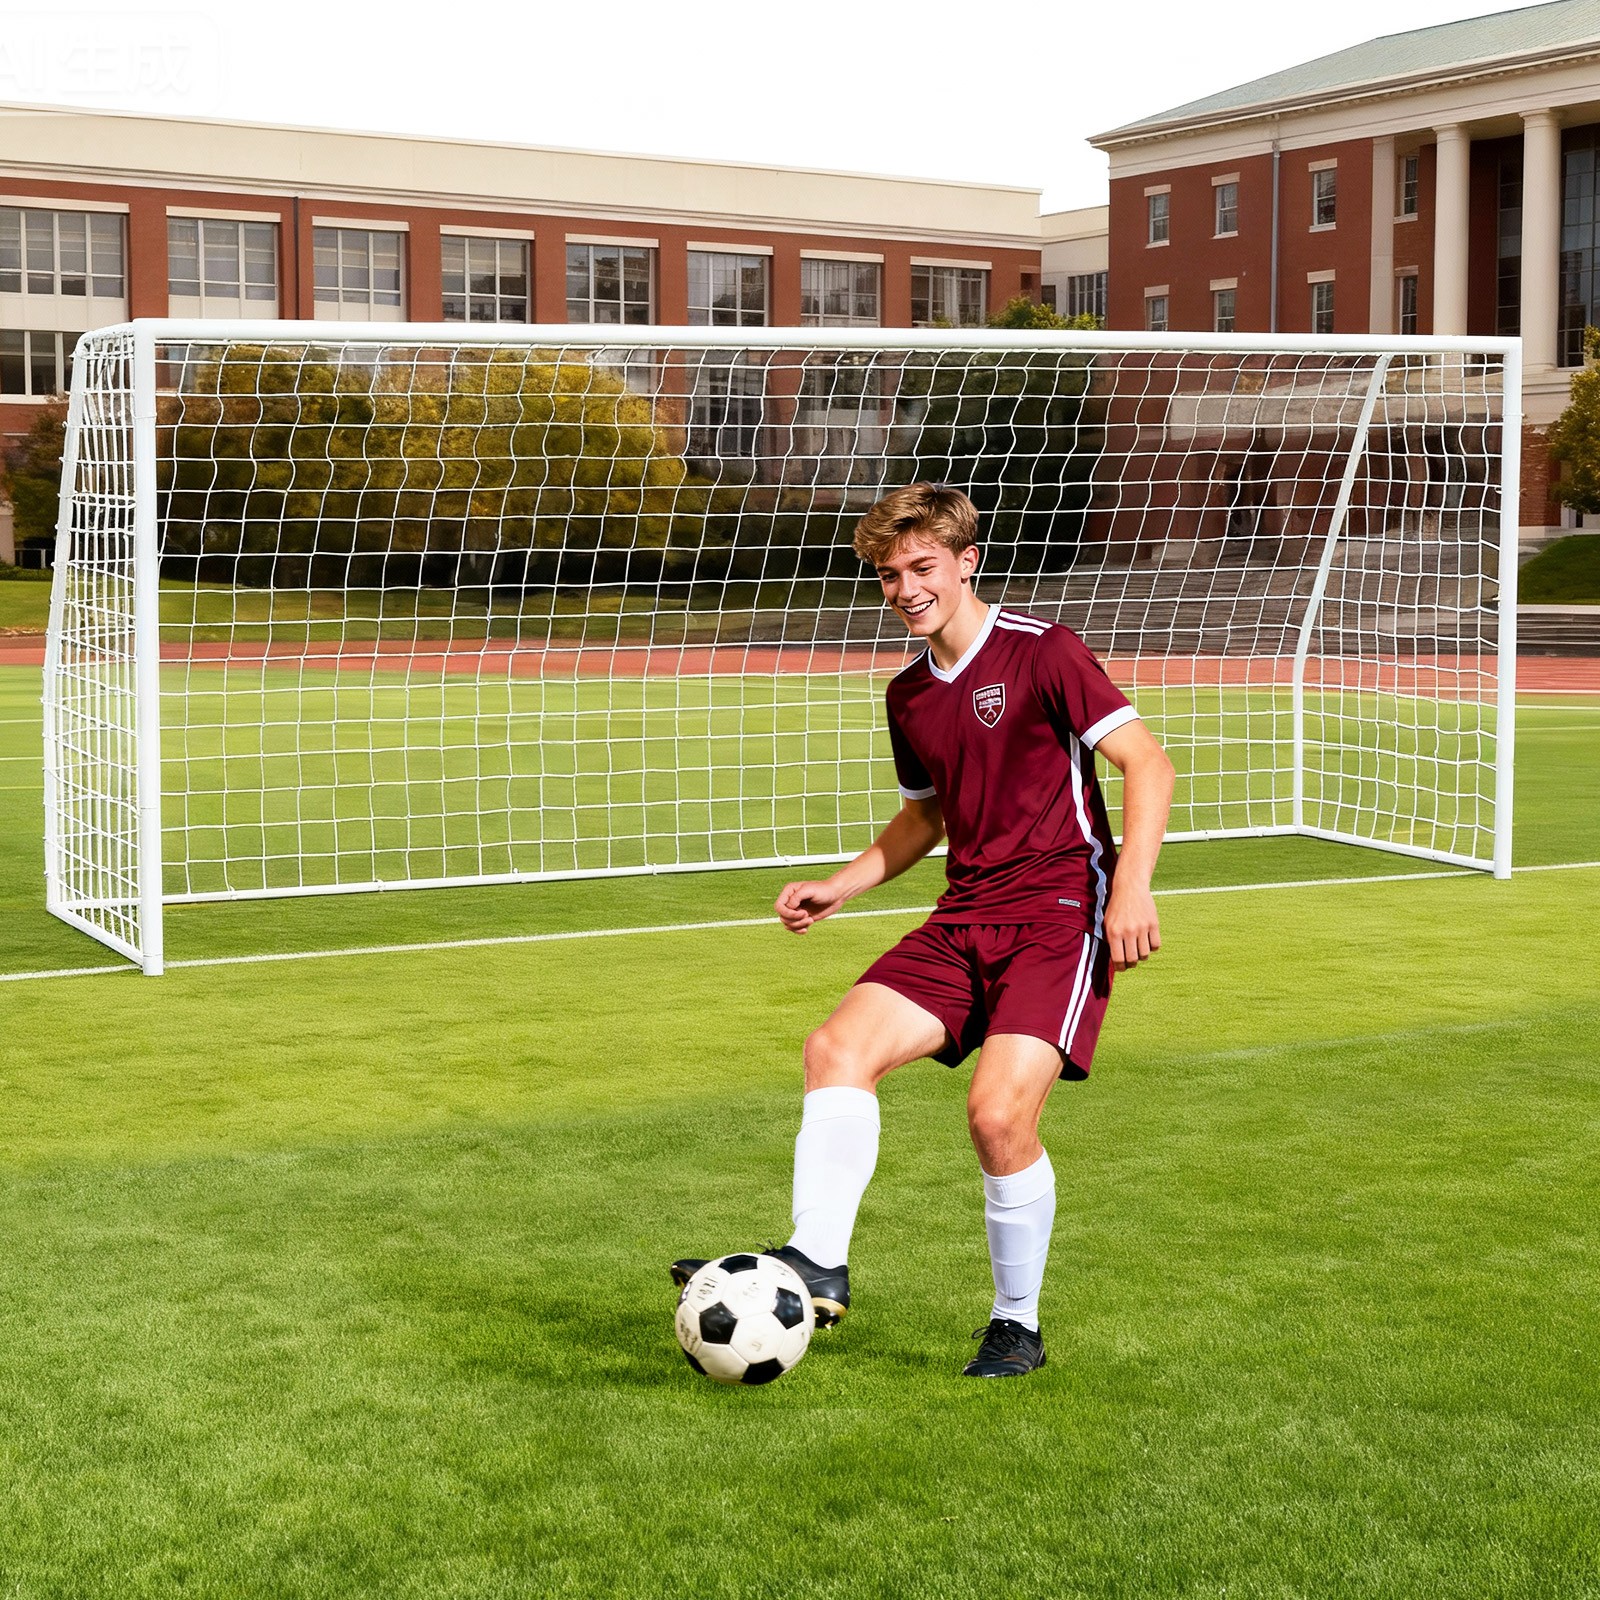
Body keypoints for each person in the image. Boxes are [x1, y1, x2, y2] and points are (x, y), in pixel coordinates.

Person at [673, 483, 1174, 1378]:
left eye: (922, 567)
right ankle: (819, 1258)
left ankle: (1015, 1324)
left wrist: (1131, 887)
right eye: (888, 573)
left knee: (996, 1116)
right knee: (834, 1048)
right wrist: (842, 884)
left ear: (965, 561)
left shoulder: (1042, 651)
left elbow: (1148, 761)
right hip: (963, 915)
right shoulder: (909, 695)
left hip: (1060, 912)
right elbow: (925, 819)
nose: (905, 588)